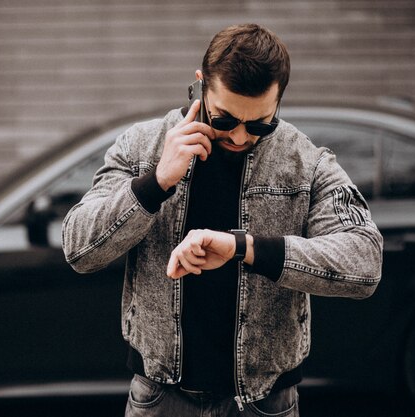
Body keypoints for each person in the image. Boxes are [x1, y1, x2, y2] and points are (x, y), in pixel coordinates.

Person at [62, 23, 383, 417]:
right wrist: (157, 182)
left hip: (265, 403)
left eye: (261, 124)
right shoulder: (143, 146)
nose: (240, 136)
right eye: (225, 120)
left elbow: (364, 262)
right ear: (200, 85)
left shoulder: (307, 162)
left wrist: (244, 248)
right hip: (161, 398)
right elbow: (79, 249)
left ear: (280, 98)